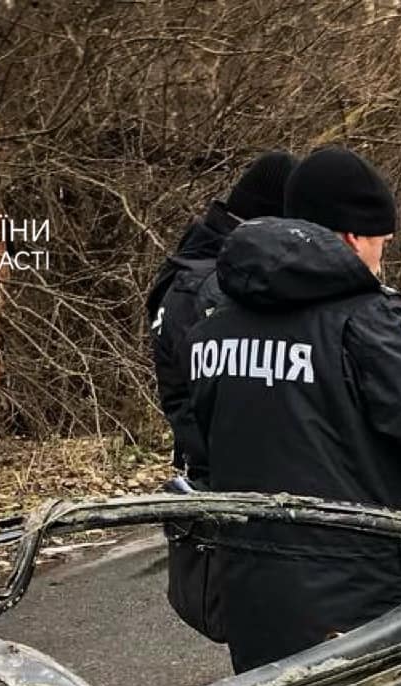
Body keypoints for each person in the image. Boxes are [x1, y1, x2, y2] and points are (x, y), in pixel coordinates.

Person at [187, 146, 401, 673]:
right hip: (367, 611)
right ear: (351, 237)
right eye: (381, 244)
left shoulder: (214, 325)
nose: (381, 260)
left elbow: (205, 452)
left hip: (255, 603)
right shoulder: (363, 322)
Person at [146, 150, 296, 642]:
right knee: (271, 643)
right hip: (233, 483)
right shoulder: (217, 286)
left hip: (212, 469)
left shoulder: (189, 269)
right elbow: (237, 399)